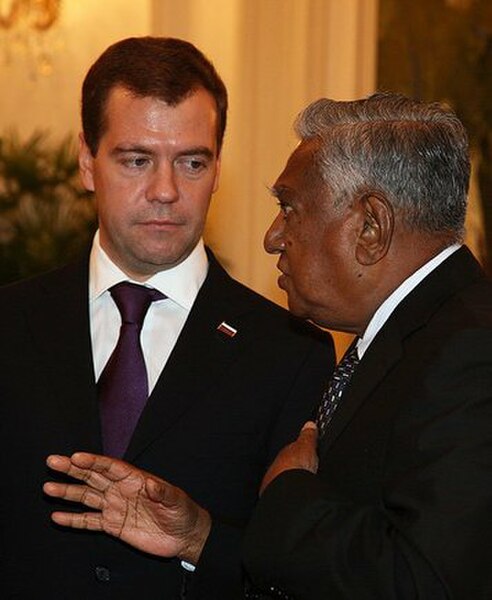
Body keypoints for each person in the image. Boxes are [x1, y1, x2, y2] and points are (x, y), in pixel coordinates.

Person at [0, 37, 333, 599]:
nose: (165, 191)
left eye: (192, 162)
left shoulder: (289, 353)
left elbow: (298, 569)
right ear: (87, 162)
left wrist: (200, 540)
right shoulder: (10, 324)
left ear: (218, 167)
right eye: (136, 160)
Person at [242, 93, 492, 599]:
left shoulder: (471, 351)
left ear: (371, 227)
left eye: (289, 208)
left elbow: (428, 581)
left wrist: (288, 499)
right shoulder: (417, 337)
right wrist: (200, 537)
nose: (272, 238)